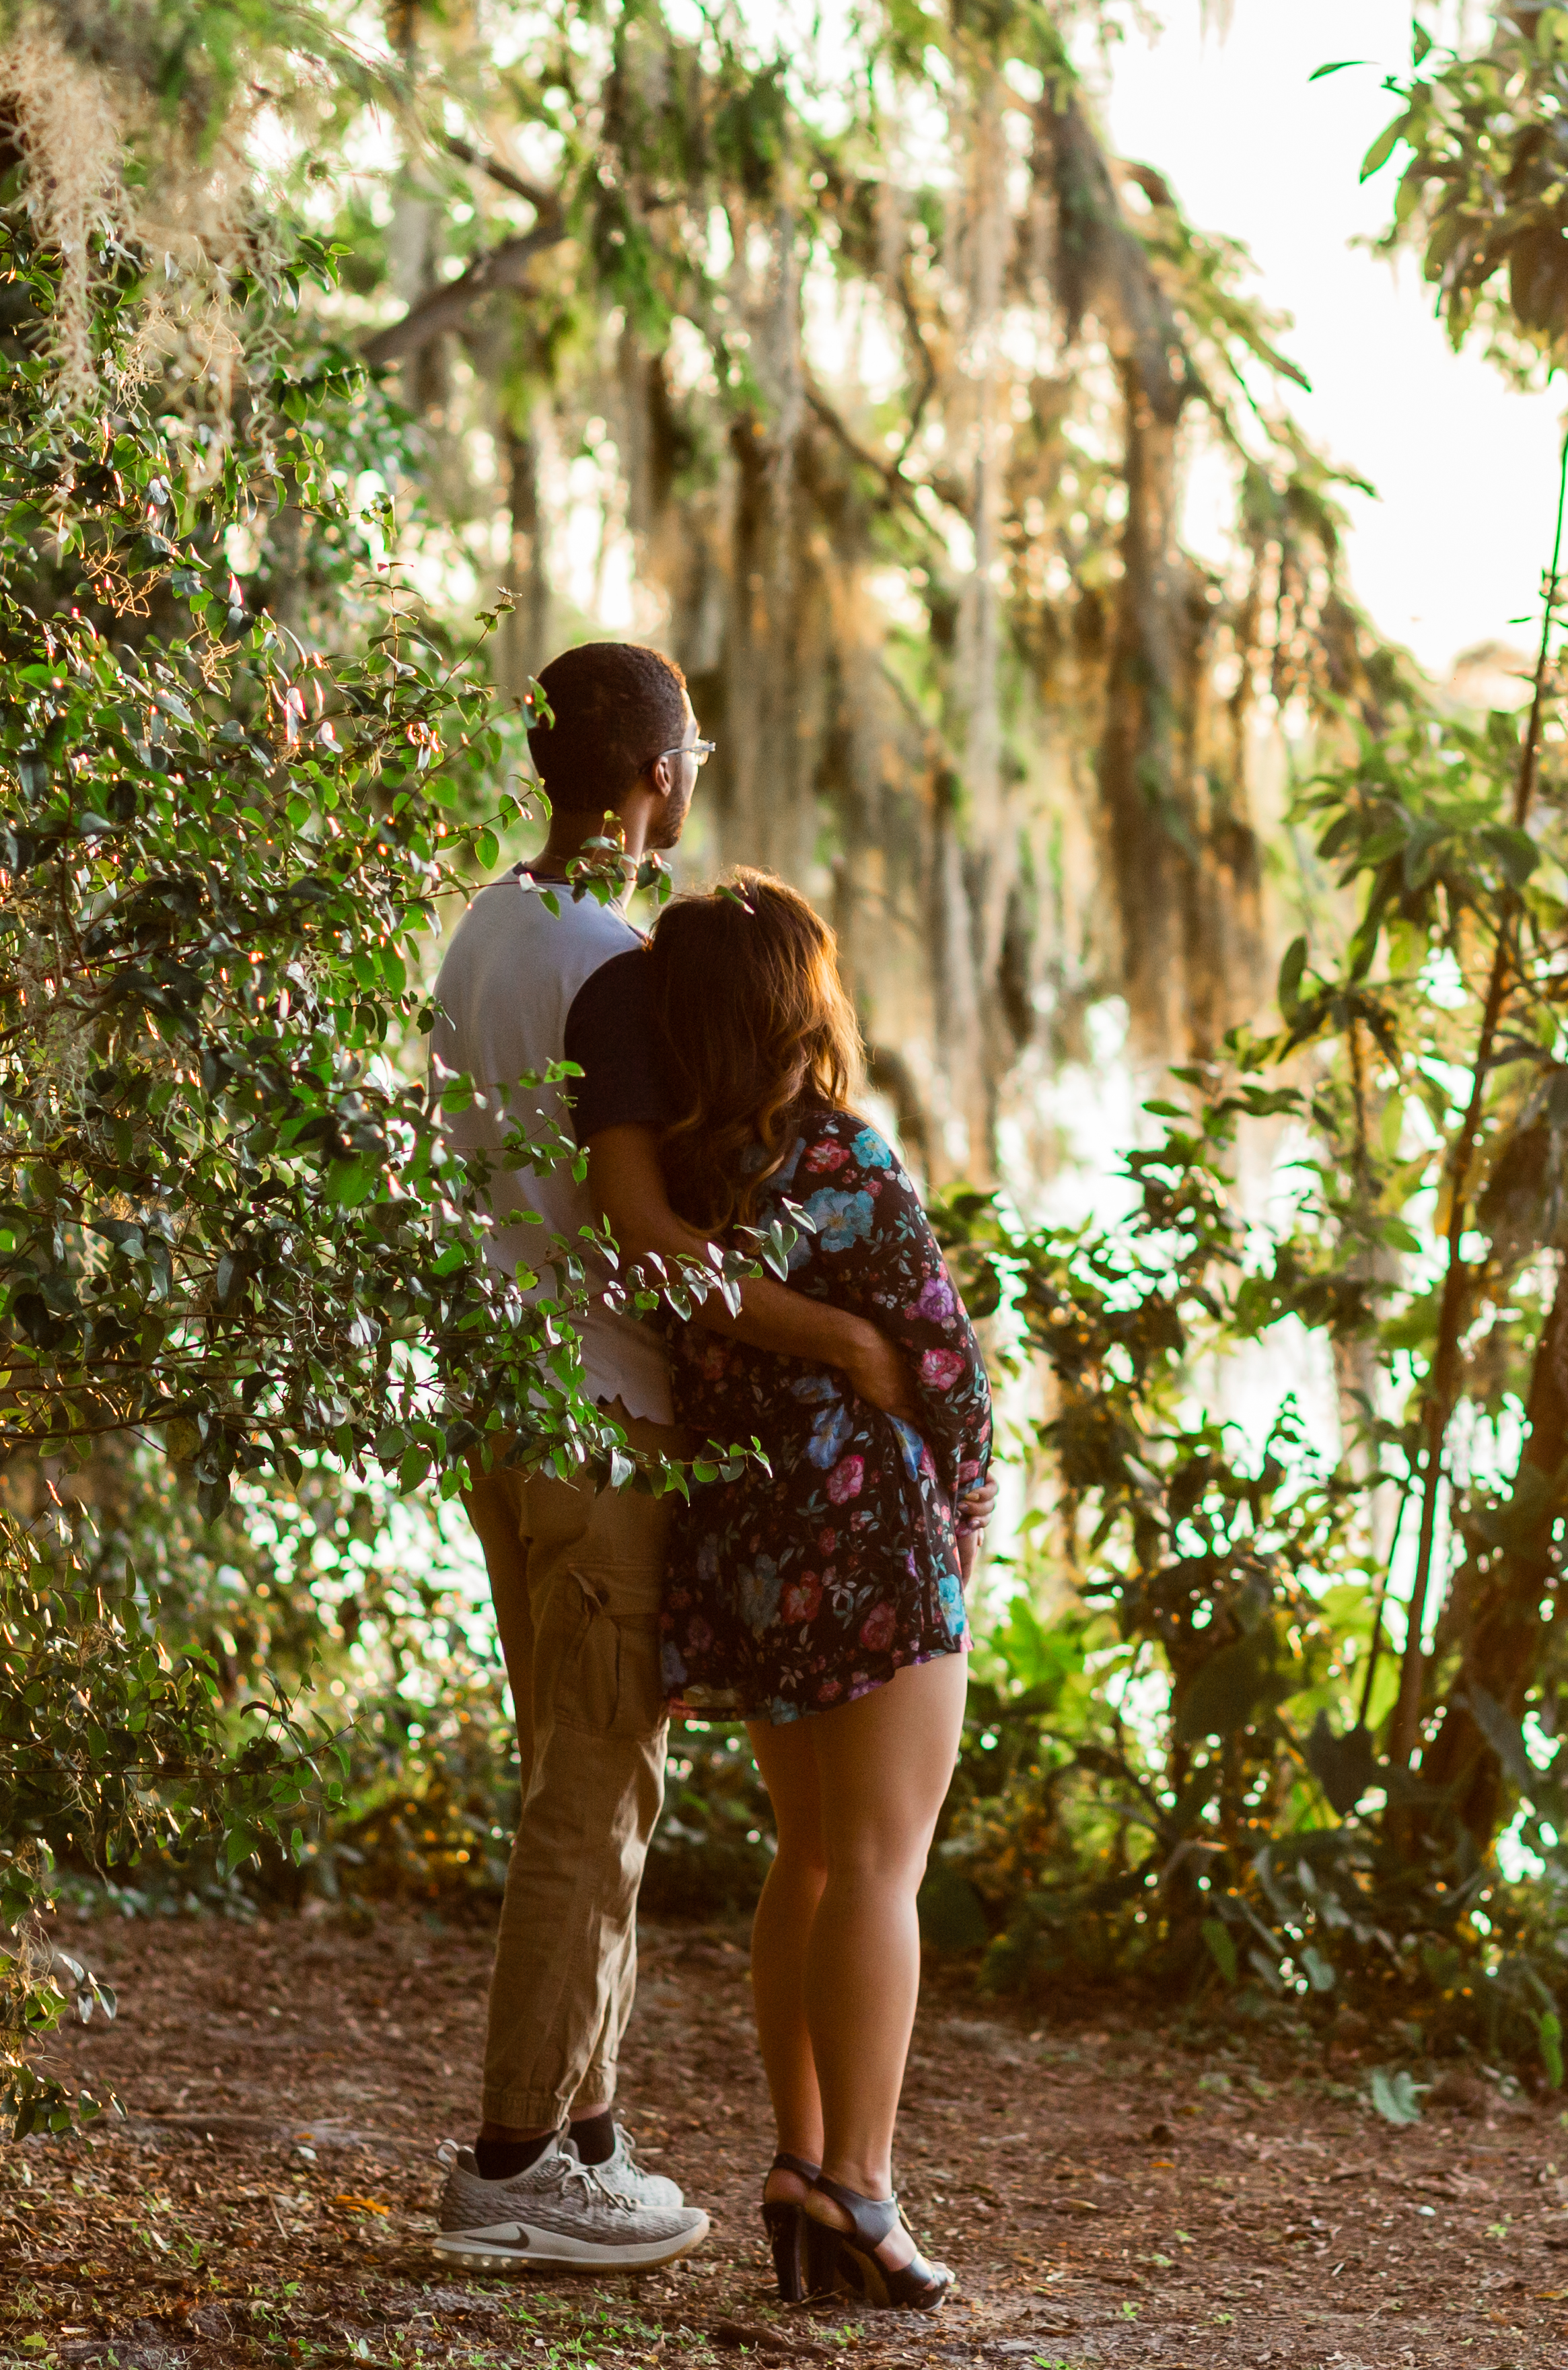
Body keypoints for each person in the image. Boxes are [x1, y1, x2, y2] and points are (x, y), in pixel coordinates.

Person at [425, 642, 923, 2271]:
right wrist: (839, 1340)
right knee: (594, 1786)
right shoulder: (619, 970)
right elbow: (646, 1237)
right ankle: (514, 2164)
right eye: (691, 750)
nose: (695, 777)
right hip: (593, 1418)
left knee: (589, 1764)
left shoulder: (487, 931)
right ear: (656, 779)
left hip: (499, 1402)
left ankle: (582, 2134)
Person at [597, 872, 988, 2312]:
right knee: (881, 1865)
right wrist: (969, 1538)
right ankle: (864, 2194)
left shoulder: (673, 1183)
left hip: (749, 1549)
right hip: (871, 1538)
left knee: (810, 1860)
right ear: (794, 1005)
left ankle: (802, 2164)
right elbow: (943, 1370)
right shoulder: (843, 1166)